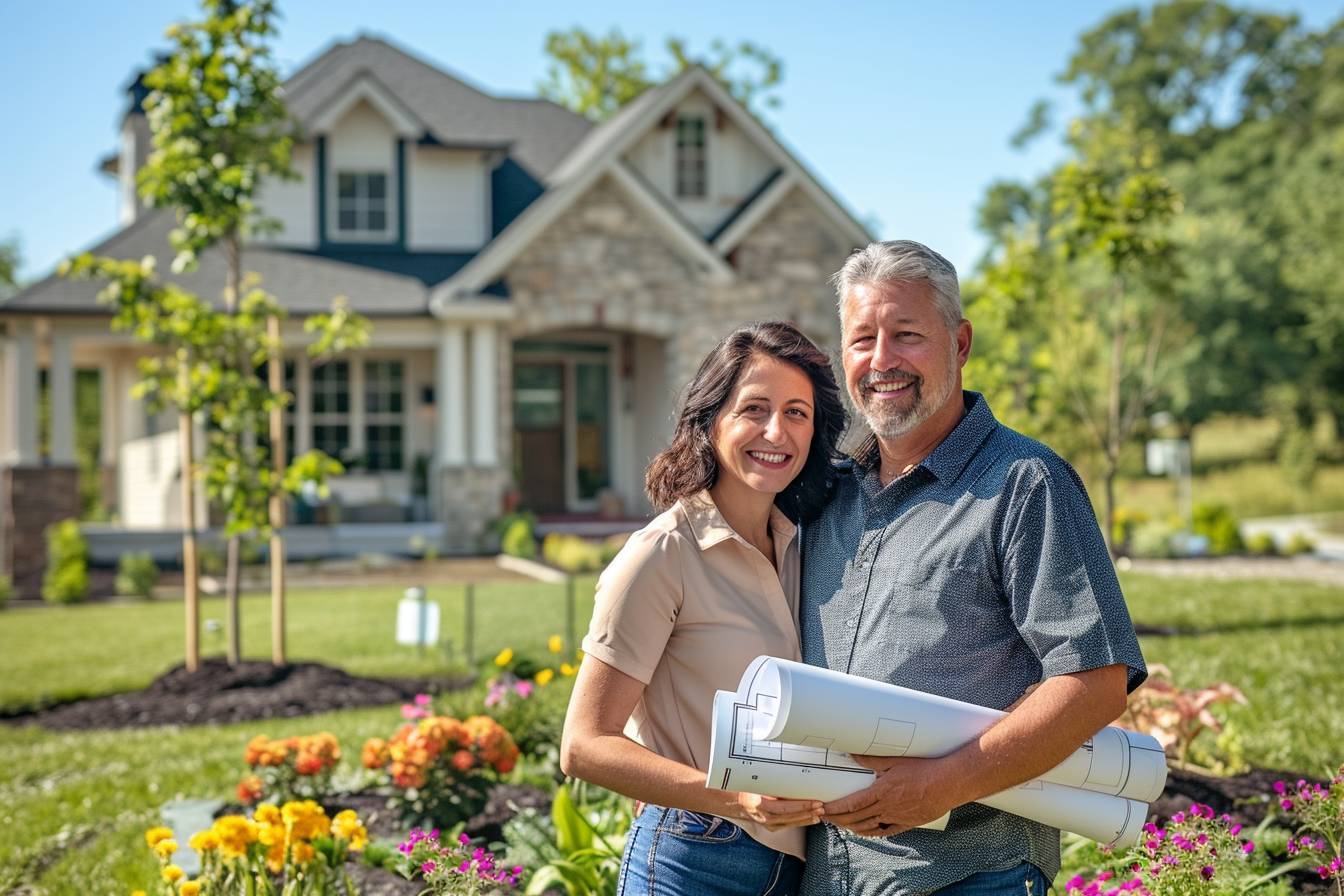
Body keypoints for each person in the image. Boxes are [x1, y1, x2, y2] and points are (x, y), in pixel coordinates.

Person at [799, 241, 1147, 896]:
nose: (881, 361)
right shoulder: (830, 492)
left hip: (972, 872)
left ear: (959, 344)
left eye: (907, 335)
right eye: (862, 339)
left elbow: (1095, 680)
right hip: (831, 874)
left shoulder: (1025, 482)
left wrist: (940, 787)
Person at [561, 320, 847, 896]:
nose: (777, 430)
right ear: (709, 419)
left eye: (797, 412)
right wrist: (737, 796)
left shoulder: (806, 545)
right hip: (694, 857)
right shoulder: (663, 553)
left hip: (798, 867)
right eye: (754, 408)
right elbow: (584, 745)